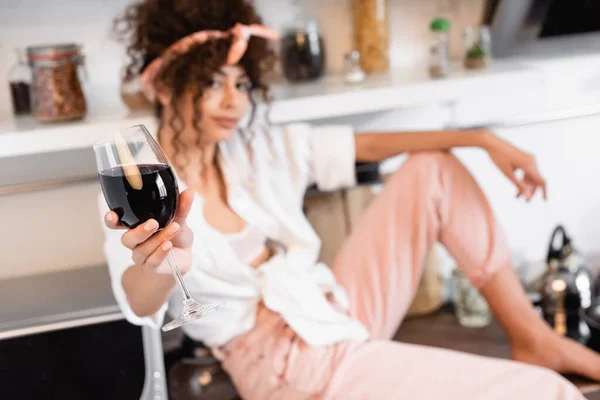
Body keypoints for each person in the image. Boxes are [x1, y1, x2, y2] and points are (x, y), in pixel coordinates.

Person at [101, 1, 600, 398]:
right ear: (165, 82)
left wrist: (482, 138)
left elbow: (369, 146)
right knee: (547, 394)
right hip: (285, 362)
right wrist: (162, 265)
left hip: (332, 308)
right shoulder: (140, 191)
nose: (235, 103)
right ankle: (540, 365)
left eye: (242, 84)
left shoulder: (255, 148)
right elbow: (138, 303)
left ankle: (532, 336)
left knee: (434, 169)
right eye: (213, 84)